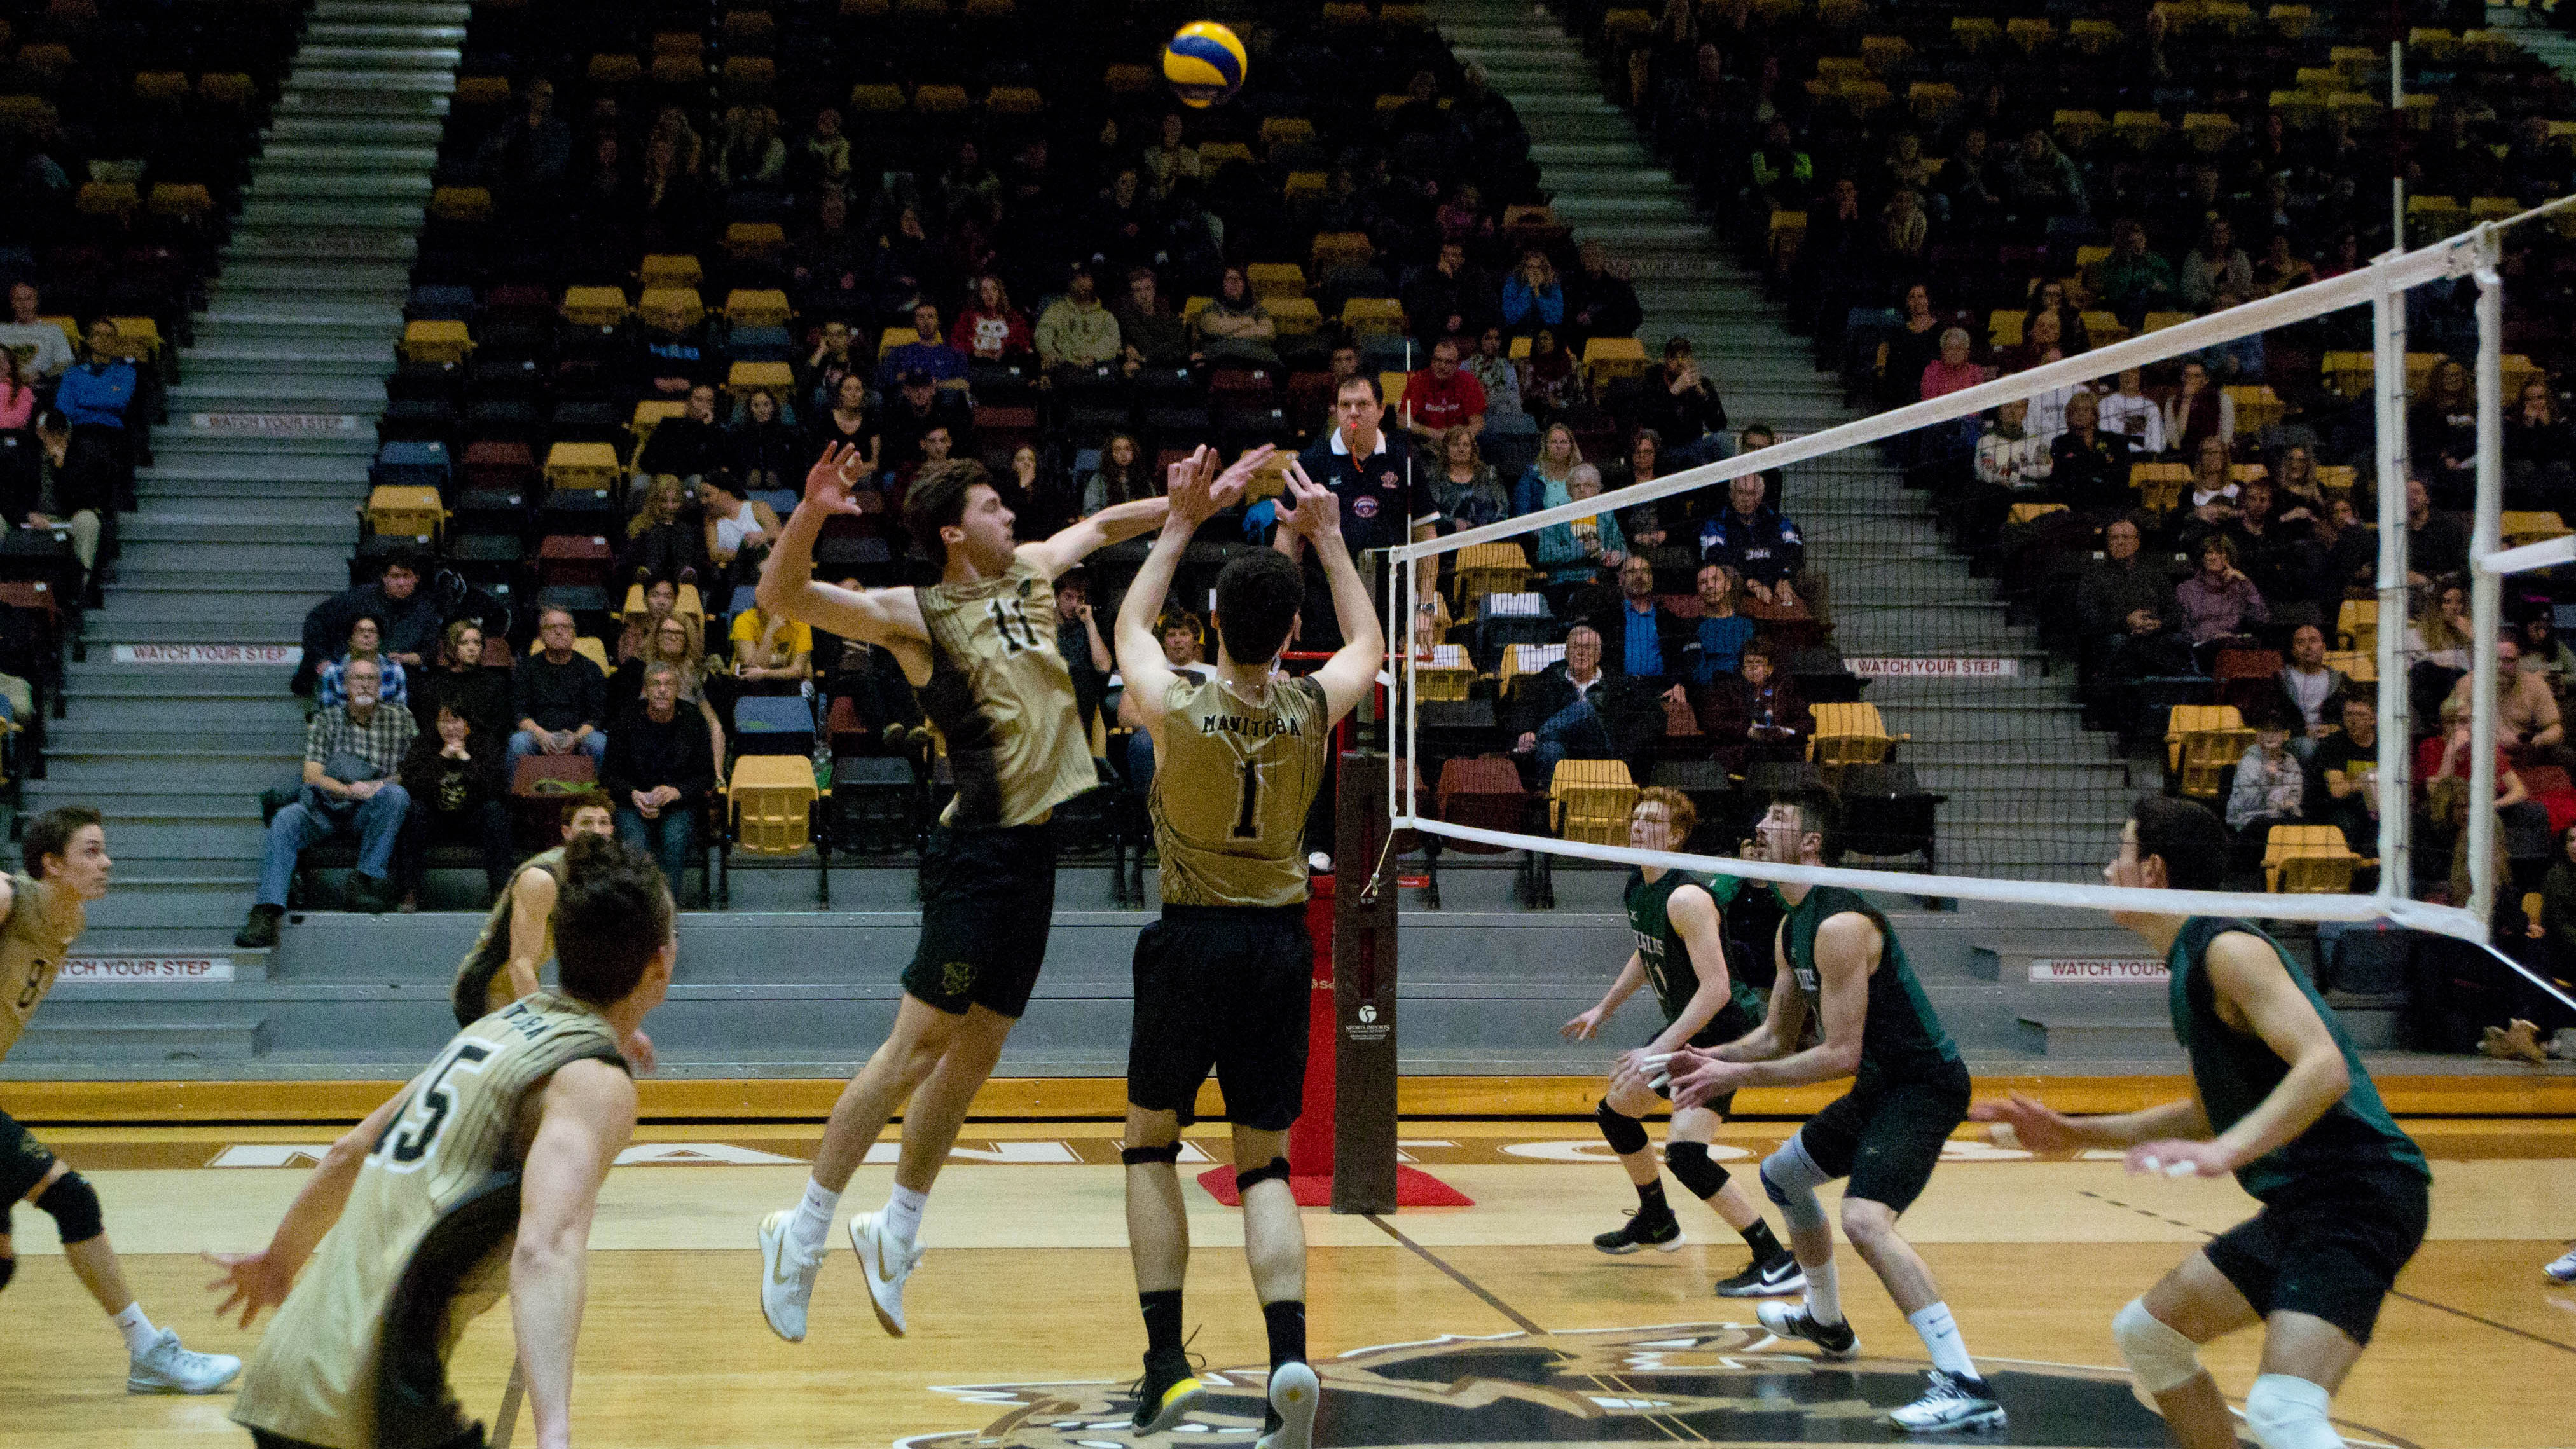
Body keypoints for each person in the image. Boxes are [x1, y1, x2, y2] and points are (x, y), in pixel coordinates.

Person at [752, 449, 1173, 1342]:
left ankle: (894, 1229)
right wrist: (814, 511)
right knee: (915, 1046)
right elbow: (780, 596)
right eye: (991, 506)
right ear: (953, 530)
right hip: (972, 848)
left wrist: (1188, 504)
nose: (1009, 517)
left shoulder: (1028, 574)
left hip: (1034, 849)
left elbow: (1099, 528)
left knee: (977, 1052)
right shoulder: (916, 613)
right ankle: (802, 1227)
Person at [1974, 798, 2430, 1449]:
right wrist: (2077, 1134)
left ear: (2154, 869)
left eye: (2121, 852)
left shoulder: (2230, 949)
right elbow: (2205, 1108)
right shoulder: (2189, 963)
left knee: (2282, 1412)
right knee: (2147, 1332)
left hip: (2361, 1194)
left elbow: (2323, 1067)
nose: (2107, 869)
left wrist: (2228, 1149)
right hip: (2303, 1203)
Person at [215, 835, 673, 1449]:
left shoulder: (496, 1027)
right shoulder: (594, 1082)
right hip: (368, 1396)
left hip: (287, 1367)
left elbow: (350, 1150)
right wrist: (555, 1434)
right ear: (659, 963)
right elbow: (547, 1248)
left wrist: (281, 1260)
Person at [1111, 446, 1379, 1449]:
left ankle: (1165, 1364)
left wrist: (1180, 521)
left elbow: (1129, 623)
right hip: (1277, 942)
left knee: (1148, 1142)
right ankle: (1285, 1361)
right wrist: (1331, 538)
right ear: (1291, 634)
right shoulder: (1312, 703)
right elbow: (1370, 643)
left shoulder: (1174, 702)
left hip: (1189, 938)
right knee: (1262, 1167)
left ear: (1215, 623)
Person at [1667, 788, 2002, 1432]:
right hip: (1882, 1084)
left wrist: (1734, 1073)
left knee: (1865, 1219)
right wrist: (1705, 1059)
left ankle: (1963, 1379)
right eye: (1763, 816)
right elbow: (1774, 1035)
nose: (1761, 826)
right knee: (1783, 1175)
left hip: (1923, 1084)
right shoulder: (1793, 926)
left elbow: (1840, 1052)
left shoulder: (1840, 925)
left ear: (1812, 843)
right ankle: (1825, 1319)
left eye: (1779, 819)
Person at [0, 807, 243, 1393]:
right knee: (73, 1198)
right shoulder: (11, 897)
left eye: (103, 849)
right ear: (51, 865)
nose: (106, 862)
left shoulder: (68, 919)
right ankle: (148, 1351)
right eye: (90, 850)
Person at [1560, 789, 1804, 1293]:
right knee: (1615, 1110)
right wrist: (1604, 1007)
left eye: (1652, 822)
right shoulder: (1640, 886)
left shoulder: (1686, 897)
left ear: (1675, 836)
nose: (1637, 827)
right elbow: (1645, 950)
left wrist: (1656, 1049)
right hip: (1691, 1030)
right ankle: (1656, 1219)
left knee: (1687, 1155)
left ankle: (1775, 1258)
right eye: (1636, 819)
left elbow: (1715, 990)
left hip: (1723, 1033)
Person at [239, 657, 418, 943]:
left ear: (381, 685)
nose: (365, 684)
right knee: (286, 818)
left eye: (372, 679)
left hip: (367, 813)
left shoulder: (400, 720)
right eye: (358, 678)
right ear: (346, 685)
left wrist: (375, 786)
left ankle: (364, 882)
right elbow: (311, 776)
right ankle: (268, 910)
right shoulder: (326, 720)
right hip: (323, 808)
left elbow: (412, 771)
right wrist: (349, 791)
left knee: (397, 796)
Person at [1286, 374, 1440, 650]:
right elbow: (1286, 540)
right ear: (1335, 410)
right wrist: (1286, 608)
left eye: (1363, 404)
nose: (1353, 412)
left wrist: (1424, 607)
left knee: (1385, 692)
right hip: (1324, 607)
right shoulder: (1312, 461)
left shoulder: (1403, 460)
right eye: (1345, 405)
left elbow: (1426, 537)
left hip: (1389, 605)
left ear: (1381, 410)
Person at [449, 792, 623, 1029]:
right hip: (487, 986)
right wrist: (538, 1029)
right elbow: (520, 964)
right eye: (586, 823)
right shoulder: (541, 879)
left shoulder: (601, 875)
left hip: (523, 984)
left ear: (611, 831)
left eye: (603, 822)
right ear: (567, 833)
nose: (596, 830)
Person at [605, 663, 717, 898]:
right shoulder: (626, 719)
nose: (663, 690)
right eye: (656, 684)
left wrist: (677, 792)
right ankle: (640, 912)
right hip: (633, 802)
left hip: (677, 804)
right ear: (646, 689)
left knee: (674, 840)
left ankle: (667, 910)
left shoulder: (694, 720)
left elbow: (707, 777)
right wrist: (634, 794)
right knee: (635, 844)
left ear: (677, 690)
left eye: (669, 684)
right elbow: (608, 775)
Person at [394, 704, 514, 905]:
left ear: (467, 724)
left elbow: (496, 789)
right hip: (436, 819)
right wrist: (443, 758)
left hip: (471, 818)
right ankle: (408, 892)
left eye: (456, 721)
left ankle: (500, 891)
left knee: (495, 812)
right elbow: (413, 786)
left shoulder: (485, 745)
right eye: (444, 722)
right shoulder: (424, 745)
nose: (450, 728)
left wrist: (466, 759)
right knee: (414, 812)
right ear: (436, 725)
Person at [298, 553, 439, 694]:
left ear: (417, 579)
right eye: (395, 577)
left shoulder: (426, 610)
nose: (401, 583)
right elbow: (316, 620)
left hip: (399, 678)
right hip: (350, 674)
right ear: (384, 578)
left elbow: (430, 651)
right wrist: (321, 658)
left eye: (407, 577)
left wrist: (406, 658)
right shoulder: (358, 599)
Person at [509, 607, 610, 774]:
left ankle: (599, 798)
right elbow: (519, 714)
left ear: (574, 634)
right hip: (537, 736)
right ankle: (517, 800)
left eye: (565, 627)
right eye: (551, 627)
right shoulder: (526, 668)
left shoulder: (591, 669)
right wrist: (541, 735)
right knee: (519, 742)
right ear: (540, 635)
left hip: (579, 736)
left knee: (599, 742)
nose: (559, 632)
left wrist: (576, 738)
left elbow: (597, 717)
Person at [1698, 471, 1805, 608]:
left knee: (1816, 580)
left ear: (1760, 497)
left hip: (1778, 575)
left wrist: (1784, 577)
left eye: (1751, 493)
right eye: (1741, 493)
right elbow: (1717, 557)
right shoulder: (1717, 524)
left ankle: (1821, 627)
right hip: (1742, 581)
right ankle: (1734, 625)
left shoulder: (1778, 521)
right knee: (1729, 577)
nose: (1746, 499)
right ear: (1731, 495)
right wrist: (1751, 581)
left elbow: (1795, 550)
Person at [2226, 713, 2310, 867]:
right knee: (2269, 827)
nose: (2270, 736)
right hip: (2250, 820)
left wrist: (2288, 805)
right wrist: (2268, 780)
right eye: (2265, 730)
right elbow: (2249, 804)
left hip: (2281, 818)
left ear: (2286, 735)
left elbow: (2295, 799)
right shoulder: (2248, 763)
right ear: (2258, 735)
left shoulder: (2292, 764)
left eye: (2275, 731)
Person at [411, 620, 511, 742]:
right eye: (464, 643)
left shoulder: (495, 683)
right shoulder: (436, 684)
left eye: (477, 643)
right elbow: (428, 726)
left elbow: (499, 729)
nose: (472, 648)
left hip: (482, 750)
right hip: (442, 749)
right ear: (452, 647)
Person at [1597, 554, 1686, 687]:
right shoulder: (1608, 619)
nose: (1640, 576)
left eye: (1645, 571)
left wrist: (1678, 685)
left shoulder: (1668, 619)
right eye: (1633, 572)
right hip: (1620, 692)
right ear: (1621, 579)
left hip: (1660, 689)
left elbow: (1679, 661)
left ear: (1651, 579)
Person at [1634, 336, 1727, 454]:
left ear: (1691, 360)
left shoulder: (1703, 383)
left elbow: (1719, 425)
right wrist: (1673, 392)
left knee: (1721, 440)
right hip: (1663, 444)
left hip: (1693, 444)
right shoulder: (1652, 381)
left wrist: (1702, 394)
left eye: (1684, 356)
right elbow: (1648, 420)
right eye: (1674, 357)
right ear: (1666, 360)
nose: (1680, 362)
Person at [1036, 263, 1124, 373]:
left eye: (1085, 277)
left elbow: (1112, 342)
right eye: (1075, 278)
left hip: (1095, 371)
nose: (1080, 282)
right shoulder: (1056, 311)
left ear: (1093, 280)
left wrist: (1093, 355)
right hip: (1064, 370)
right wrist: (1048, 352)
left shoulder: (1105, 317)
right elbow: (1043, 334)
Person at [1681, 562, 1756, 685]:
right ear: (1698, 590)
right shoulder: (1692, 628)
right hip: (1710, 693)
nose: (1710, 586)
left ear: (1728, 585)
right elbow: (1696, 672)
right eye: (1703, 582)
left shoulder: (1748, 624)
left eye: (1715, 580)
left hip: (1743, 690)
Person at [1401, 336, 1486, 443]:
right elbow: (1403, 420)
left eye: (1449, 362)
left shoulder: (1469, 382)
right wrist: (1433, 433)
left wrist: (1454, 436)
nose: (1442, 366)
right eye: (1438, 360)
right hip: (1426, 440)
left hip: (1459, 442)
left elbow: (1478, 424)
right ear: (1431, 360)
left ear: (1458, 364)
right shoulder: (1419, 380)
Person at [315, 614, 409, 710]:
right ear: (350, 639)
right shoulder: (333, 672)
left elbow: (400, 714)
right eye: (360, 631)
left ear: (379, 639)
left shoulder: (395, 671)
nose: (366, 635)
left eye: (372, 632)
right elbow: (327, 714)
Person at [1432, 424, 1510, 530]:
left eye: (1466, 445)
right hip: (1448, 539)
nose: (1461, 449)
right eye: (1456, 445)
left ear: (1472, 449)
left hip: (1488, 539)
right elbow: (1431, 514)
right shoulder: (1436, 477)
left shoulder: (1489, 475)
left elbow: (1503, 509)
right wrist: (1453, 523)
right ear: (1446, 449)